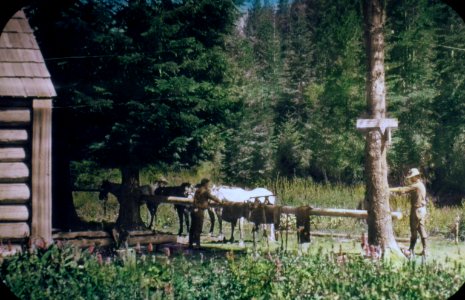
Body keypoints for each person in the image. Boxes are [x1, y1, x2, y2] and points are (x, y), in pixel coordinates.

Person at [390, 168, 428, 257]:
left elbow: (402, 189)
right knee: (420, 228)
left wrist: (389, 189)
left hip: (416, 210)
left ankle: (412, 249)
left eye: (411, 177)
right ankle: (423, 250)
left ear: (416, 177)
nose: (410, 179)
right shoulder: (421, 185)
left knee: (415, 229)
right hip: (421, 209)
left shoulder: (416, 186)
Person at [189, 178, 221, 249]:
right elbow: (213, 198)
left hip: (194, 210)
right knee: (198, 228)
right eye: (208, 184)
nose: (208, 186)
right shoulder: (205, 191)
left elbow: (195, 200)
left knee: (193, 227)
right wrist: (219, 201)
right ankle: (198, 245)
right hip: (200, 211)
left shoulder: (197, 190)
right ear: (205, 184)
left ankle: (190, 244)